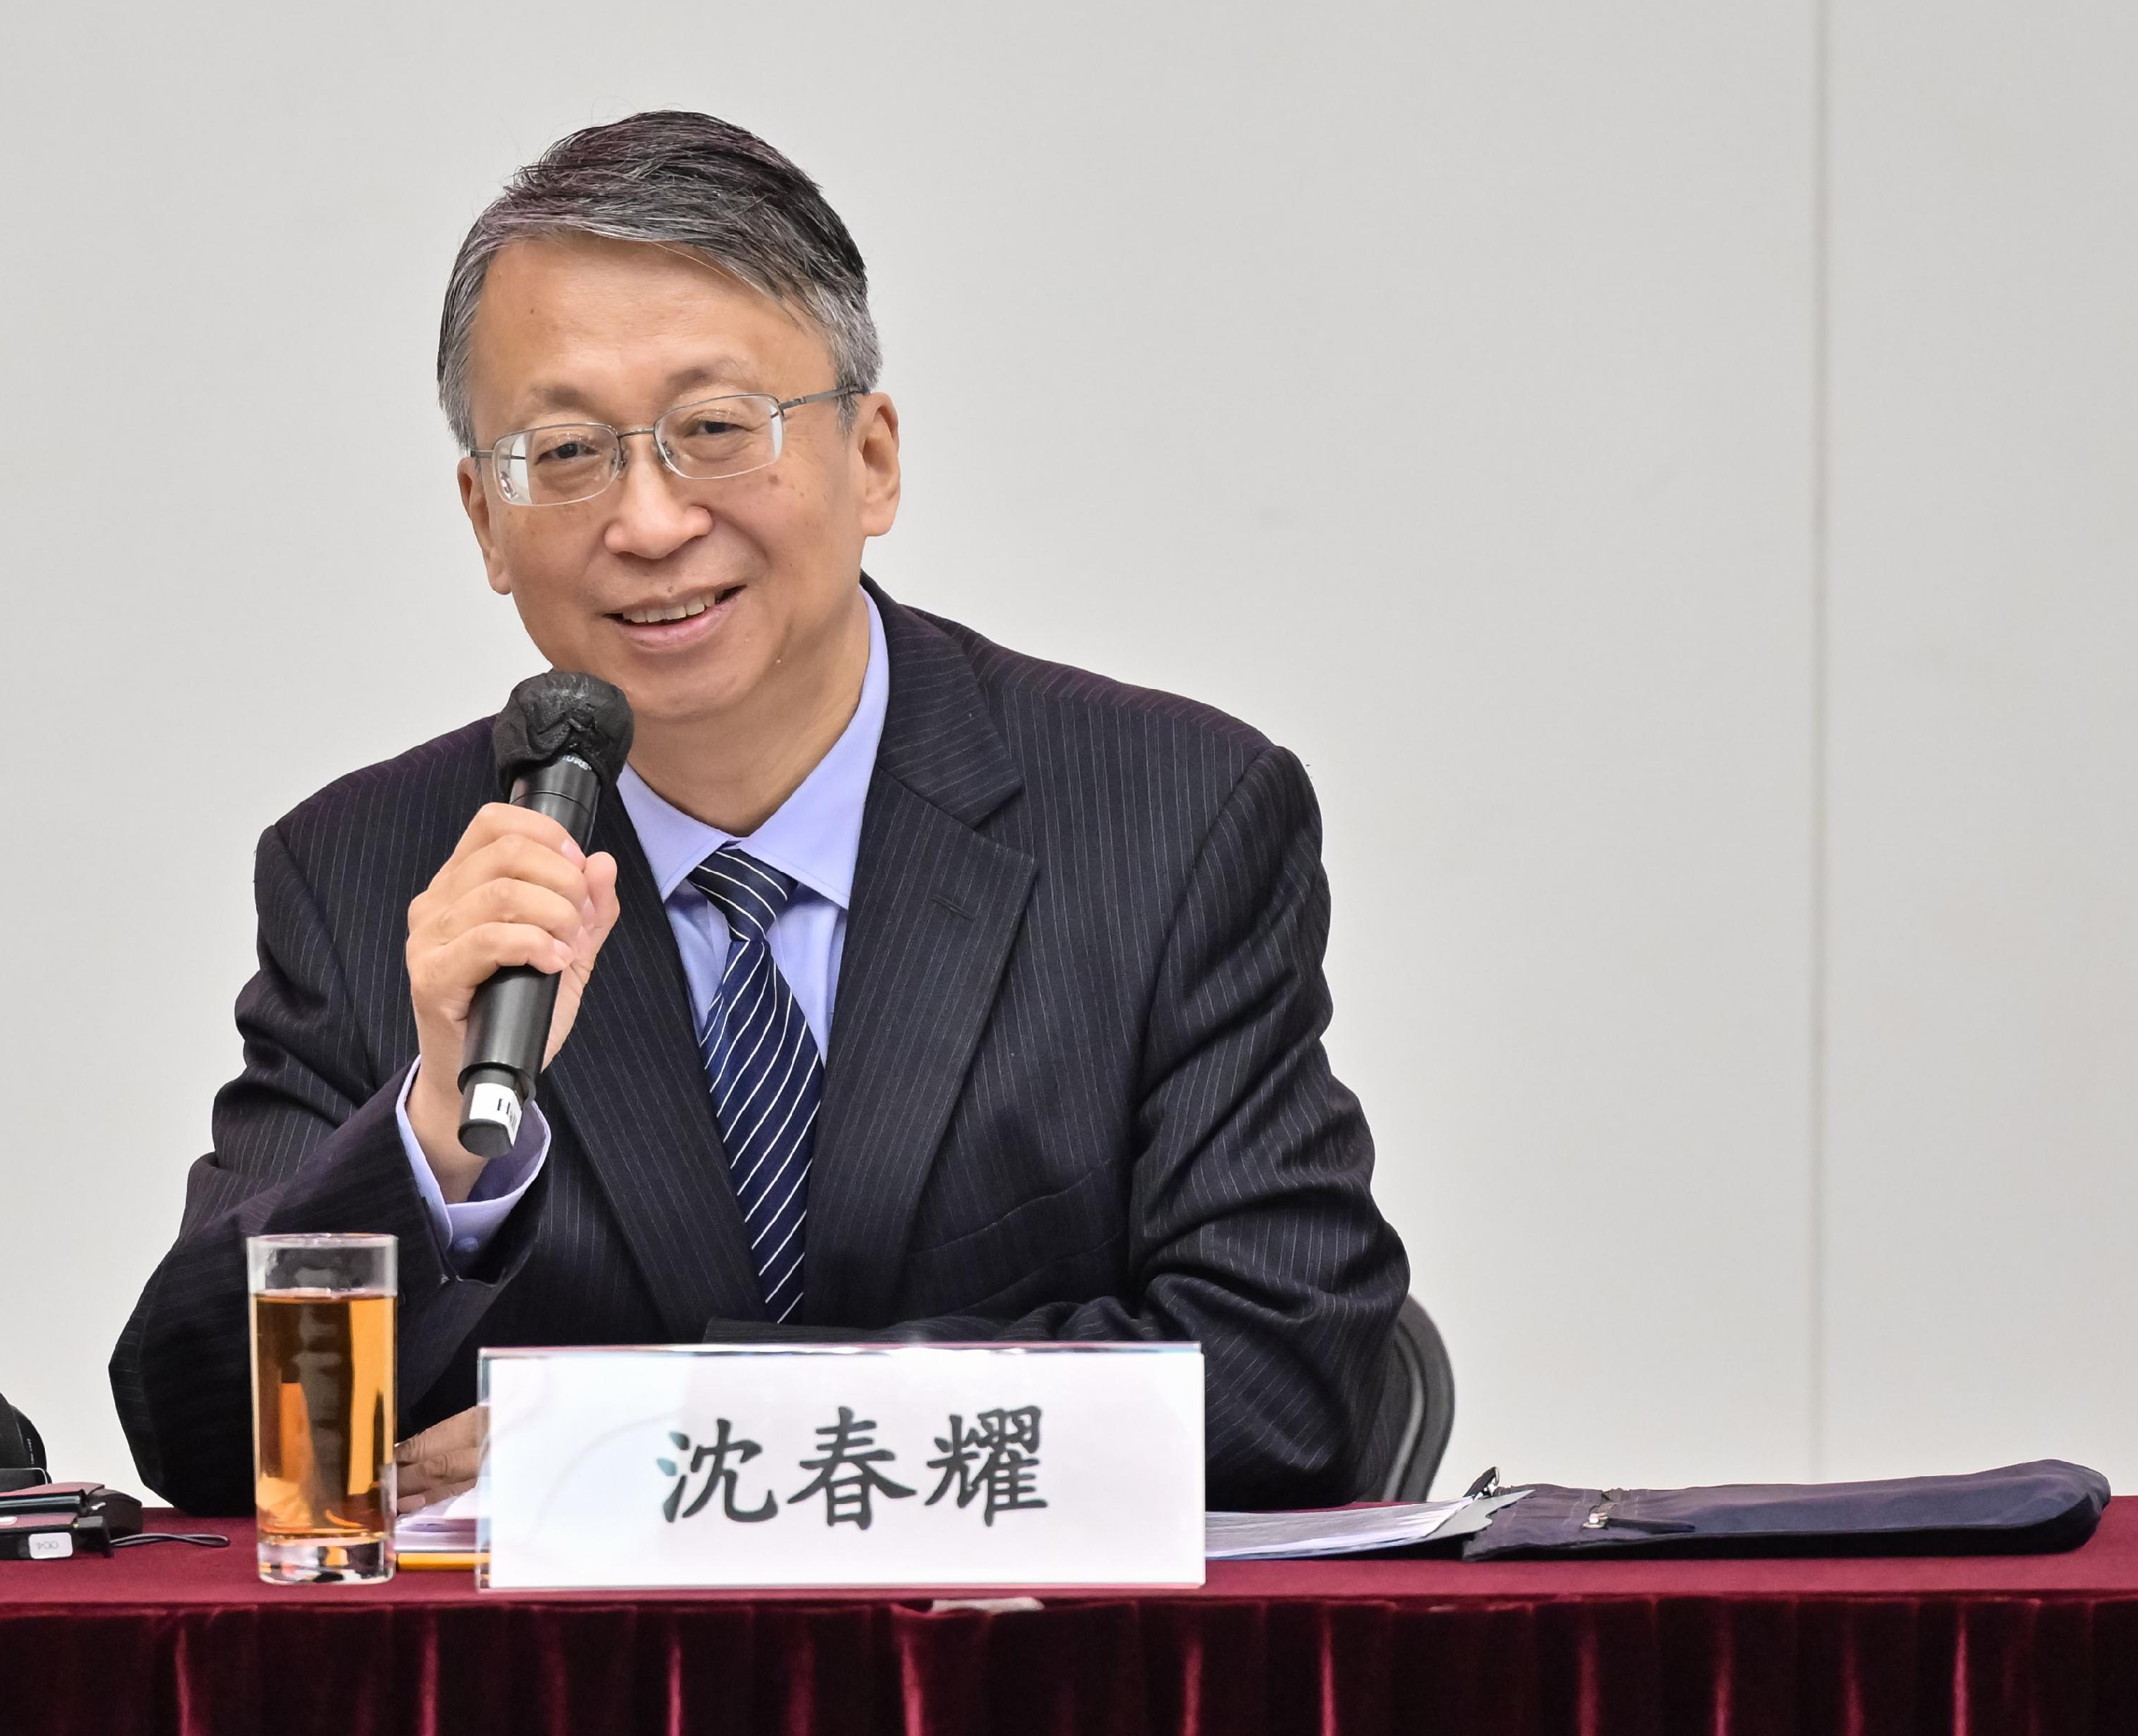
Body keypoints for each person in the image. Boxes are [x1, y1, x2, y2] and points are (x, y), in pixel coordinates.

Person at [110, 112, 1408, 1517]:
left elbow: (1285, 1383)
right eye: (563, 453)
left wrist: (641, 1437)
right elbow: (207, 1439)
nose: (652, 521)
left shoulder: (1168, 818)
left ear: (873, 460)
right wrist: (431, 1132)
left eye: (715, 431)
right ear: (485, 520)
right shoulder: (372, 871)